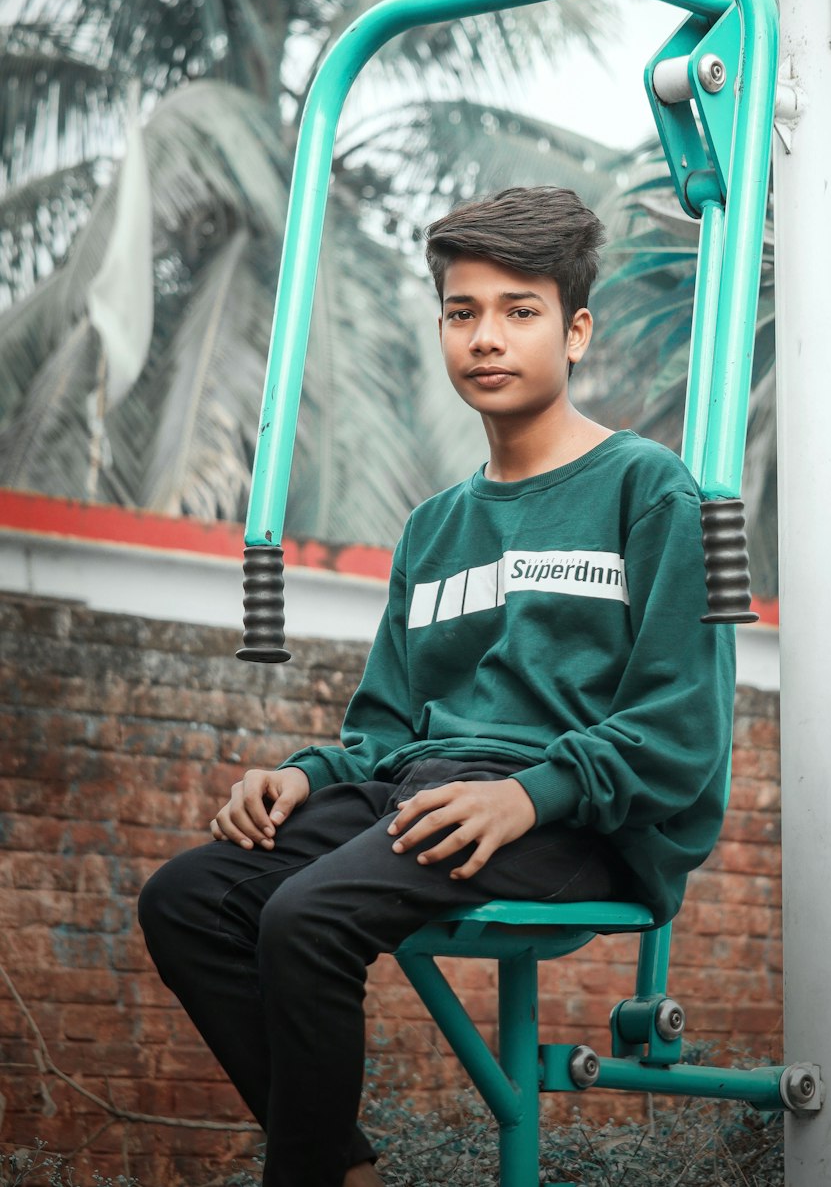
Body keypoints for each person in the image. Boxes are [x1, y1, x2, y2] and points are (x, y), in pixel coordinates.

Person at [138, 186, 735, 1187]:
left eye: (518, 310)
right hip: (425, 793)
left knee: (305, 919)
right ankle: (344, 1168)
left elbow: (683, 729)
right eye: (462, 313)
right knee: (189, 897)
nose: (485, 338)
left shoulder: (652, 491)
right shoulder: (432, 527)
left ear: (575, 331)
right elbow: (384, 727)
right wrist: (304, 772)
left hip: (570, 818)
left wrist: (527, 794)